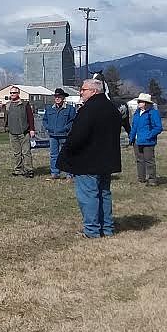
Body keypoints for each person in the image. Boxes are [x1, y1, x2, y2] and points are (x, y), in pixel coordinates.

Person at [58, 78, 122, 238]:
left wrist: (68, 151)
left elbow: (77, 136)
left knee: (88, 196)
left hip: (88, 161)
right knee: (104, 194)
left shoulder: (88, 110)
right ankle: (107, 229)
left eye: (83, 90)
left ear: (94, 91)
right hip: (106, 160)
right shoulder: (112, 109)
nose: (80, 92)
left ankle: (92, 231)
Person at [128, 92, 163, 186]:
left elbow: (158, 127)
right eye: (138, 101)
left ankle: (152, 180)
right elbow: (134, 126)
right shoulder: (136, 113)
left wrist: (149, 135)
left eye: (141, 101)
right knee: (139, 160)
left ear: (146, 103)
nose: (138, 103)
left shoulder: (153, 113)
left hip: (148, 142)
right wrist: (131, 138)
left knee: (149, 161)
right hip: (137, 141)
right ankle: (141, 179)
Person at [42, 88, 77, 180]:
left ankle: (69, 173)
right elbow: (44, 120)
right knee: (54, 155)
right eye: (56, 97)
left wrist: (65, 129)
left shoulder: (70, 109)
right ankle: (55, 173)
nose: (57, 98)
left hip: (65, 135)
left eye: (59, 97)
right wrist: (48, 127)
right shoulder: (49, 109)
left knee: (67, 154)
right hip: (53, 135)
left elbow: (73, 121)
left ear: (63, 98)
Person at [2, 86, 35, 177]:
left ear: (18, 93)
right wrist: (6, 127)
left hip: (24, 132)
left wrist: (32, 129)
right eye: (11, 93)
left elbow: (30, 117)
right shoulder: (8, 105)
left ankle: (29, 170)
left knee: (26, 152)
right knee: (16, 153)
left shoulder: (25, 104)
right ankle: (18, 170)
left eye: (14, 93)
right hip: (12, 133)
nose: (12, 94)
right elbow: (6, 118)